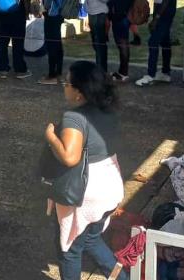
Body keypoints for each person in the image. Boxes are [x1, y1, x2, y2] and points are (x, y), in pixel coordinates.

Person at [45, 61, 127, 280]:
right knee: (90, 239)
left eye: (67, 83)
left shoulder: (74, 118)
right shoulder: (109, 111)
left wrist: (51, 136)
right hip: (110, 186)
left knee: (69, 250)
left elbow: (69, 158)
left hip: (85, 192)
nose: (64, 87)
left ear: (79, 92)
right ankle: (122, 277)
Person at [136, 0, 177, 87]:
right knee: (165, 43)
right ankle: (165, 72)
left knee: (153, 42)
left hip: (164, 15)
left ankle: (150, 74)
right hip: (162, 14)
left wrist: (157, 18)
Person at [39, 0, 66, 85]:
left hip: (52, 17)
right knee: (57, 44)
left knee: (52, 46)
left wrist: (45, 7)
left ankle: (52, 74)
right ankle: (58, 72)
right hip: (58, 16)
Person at [108, 0, 135, 82]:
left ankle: (123, 72)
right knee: (124, 44)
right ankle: (123, 70)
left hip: (119, 18)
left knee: (122, 45)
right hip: (126, 17)